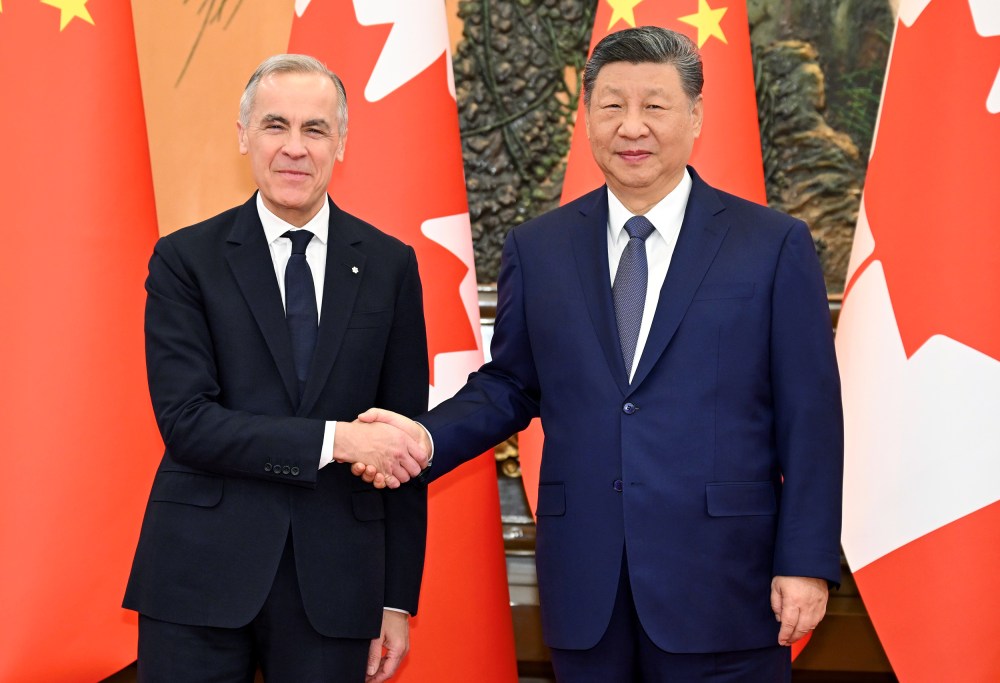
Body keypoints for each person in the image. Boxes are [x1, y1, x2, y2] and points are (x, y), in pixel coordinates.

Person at [358, 26, 844, 682]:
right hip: (588, 586)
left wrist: (807, 560)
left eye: (655, 105)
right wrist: (422, 434)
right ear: (587, 117)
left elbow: (810, 417)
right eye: (612, 105)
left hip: (725, 584)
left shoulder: (772, 244)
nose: (632, 125)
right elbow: (511, 385)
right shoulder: (541, 247)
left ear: (696, 115)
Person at [123, 54, 430, 683]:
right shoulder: (185, 260)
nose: (295, 148)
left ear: (341, 143)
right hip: (197, 582)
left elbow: (403, 440)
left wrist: (396, 599)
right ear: (244, 137)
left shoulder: (390, 265)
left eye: (316, 129)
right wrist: (335, 440)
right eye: (275, 126)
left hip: (337, 586)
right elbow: (187, 423)